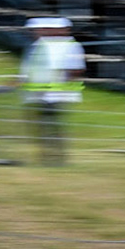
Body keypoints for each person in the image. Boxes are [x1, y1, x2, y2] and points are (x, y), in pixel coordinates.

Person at [20, 16, 84, 165]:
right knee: (42, 126)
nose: (35, 32)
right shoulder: (38, 45)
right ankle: (48, 156)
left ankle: (57, 157)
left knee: (52, 125)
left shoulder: (69, 45)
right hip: (38, 93)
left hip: (56, 93)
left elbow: (75, 70)